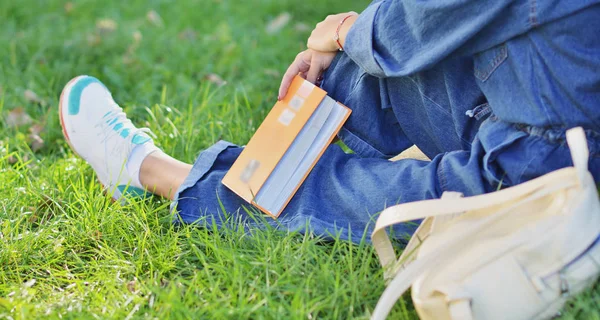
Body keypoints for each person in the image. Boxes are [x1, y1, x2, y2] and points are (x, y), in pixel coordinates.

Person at [59, 1, 600, 244]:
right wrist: (347, 47)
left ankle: (151, 171)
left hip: (549, 169)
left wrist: (343, 29)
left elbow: (429, 16)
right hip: (536, 105)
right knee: (365, 71)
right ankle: (263, 173)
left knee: (356, 188)